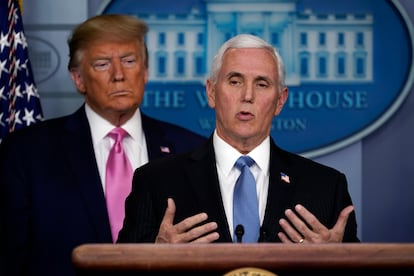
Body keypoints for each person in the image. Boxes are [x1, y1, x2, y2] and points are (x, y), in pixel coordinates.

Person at [0, 14, 206, 276]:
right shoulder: (26, 154)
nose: (118, 75)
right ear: (78, 79)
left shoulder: (191, 150)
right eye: (102, 64)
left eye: (129, 61)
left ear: (145, 72)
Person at [117, 34, 360, 244]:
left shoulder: (326, 187)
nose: (247, 95)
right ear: (211, 92)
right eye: (235, 81)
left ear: (280, 100)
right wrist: (155, 257)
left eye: (262, 84)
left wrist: (336, 260)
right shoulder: (156, 182)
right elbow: (119, 269)